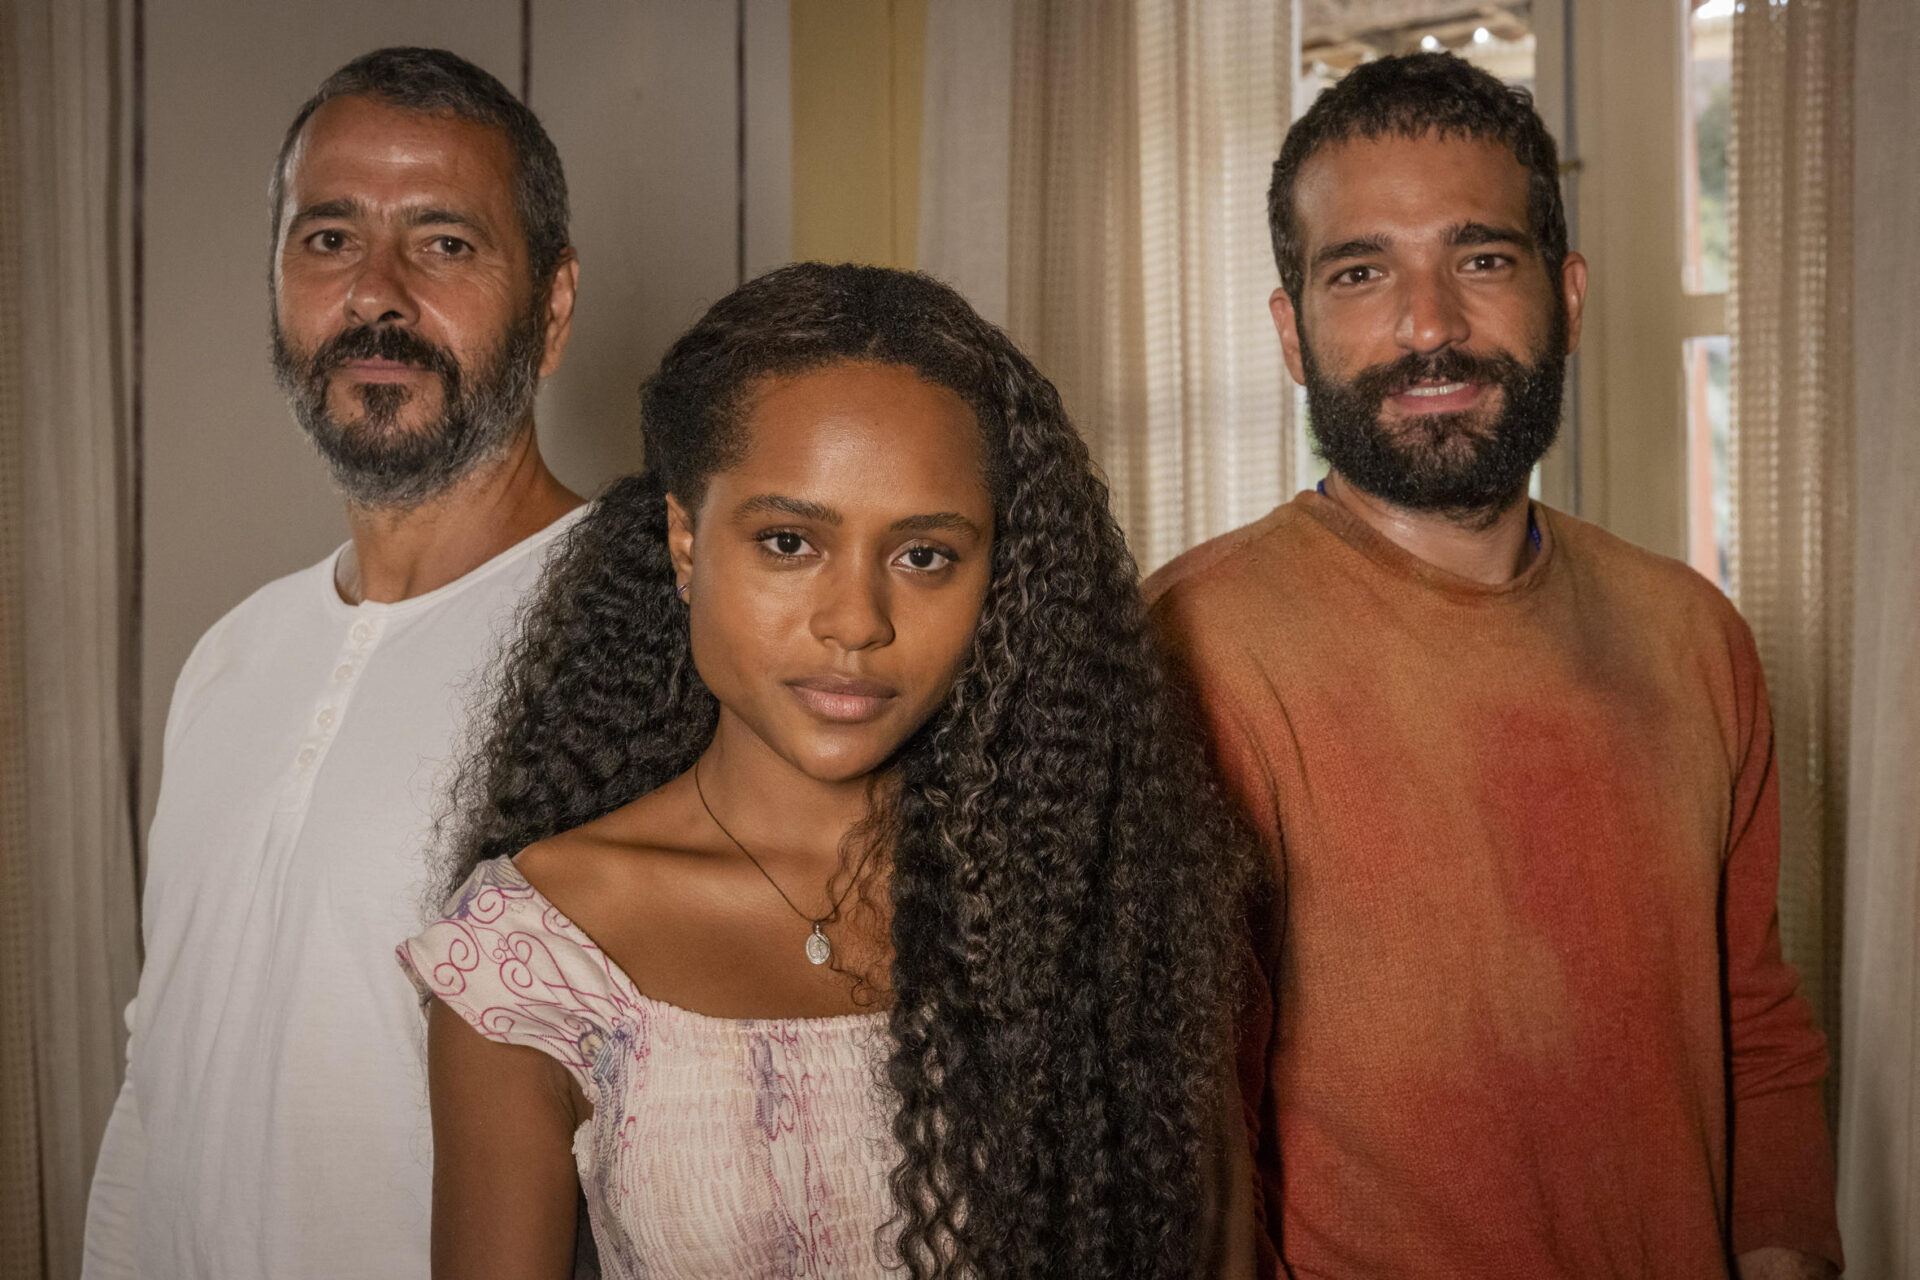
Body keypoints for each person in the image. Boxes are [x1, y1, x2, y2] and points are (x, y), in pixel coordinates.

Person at [398, 262, 1255, 1279]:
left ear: (1000, 575)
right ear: (685, 540)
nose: (856, 621)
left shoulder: (1090, 898)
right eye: (789, 540)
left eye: (925, 555)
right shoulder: (534, 946)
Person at [1144, 53, 1843, 1280]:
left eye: (1480, 259)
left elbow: (1756, 1025)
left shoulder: (1695, 635)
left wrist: (1784, 1252)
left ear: (1567, 296)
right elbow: (1187, 1147)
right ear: (1291, 330)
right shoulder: (1185, 650)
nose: (1429, 325)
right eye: (1361, 272)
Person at [83, 48, 587, 1279]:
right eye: (327, 239)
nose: (377, 294)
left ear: (554, 308)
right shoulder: (230, 656)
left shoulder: (635, 635)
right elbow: (159, 1087)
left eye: (445, 243)